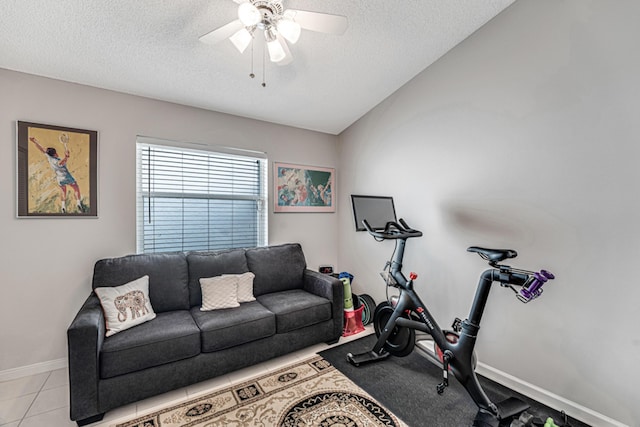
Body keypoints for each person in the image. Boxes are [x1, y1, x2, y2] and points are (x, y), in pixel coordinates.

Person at [29, 133, 84, 213]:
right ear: (55, 154)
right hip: (66, 177)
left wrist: (35, 141)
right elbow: (60, 163)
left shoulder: (49, 157)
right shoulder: (56, 161)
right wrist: (66, 157)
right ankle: (78, 203)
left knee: (63, 191)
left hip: (59, 178)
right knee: (76, 187)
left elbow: (42, 149)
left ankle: (63, 207)